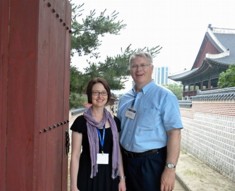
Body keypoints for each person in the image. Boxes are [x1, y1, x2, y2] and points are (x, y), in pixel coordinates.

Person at [117, 52, 183, 191]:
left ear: (151, 68)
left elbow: (174, 134)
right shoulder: (124, 99)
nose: (138, 69)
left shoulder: (165, 96)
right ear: (130, 71)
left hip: (151, 163)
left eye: (143, 65)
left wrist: (170, 169)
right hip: (125, 162)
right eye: (134, 66)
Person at [70, 77, 126, 191]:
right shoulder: (81, 122)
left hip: (110, 175)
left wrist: (122, 178)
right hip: (88, 173)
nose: (100, 96)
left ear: (108, 95)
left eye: (103, 93)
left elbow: (118, 152)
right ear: (90, 95)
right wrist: (73, 185)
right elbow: (75, 156)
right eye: (96, 93)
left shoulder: (115, 122)